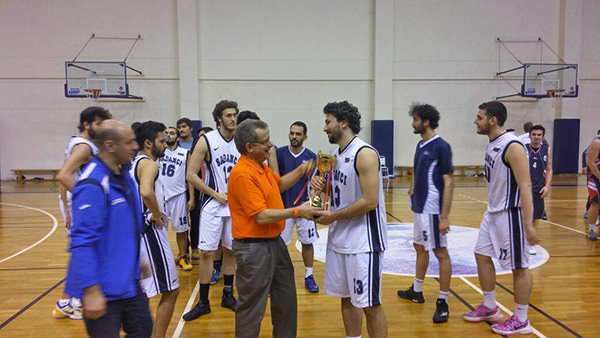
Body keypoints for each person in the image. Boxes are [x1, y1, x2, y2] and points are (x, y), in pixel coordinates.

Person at [228, 119, 317, 338]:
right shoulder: (242, 174)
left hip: (274, 243)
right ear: (250, 147)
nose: (270, 145)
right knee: (252, 309)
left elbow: (277, 185)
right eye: (265, 142)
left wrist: (301, 170)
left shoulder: (261, 167)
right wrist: (297, 211)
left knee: (286, 302)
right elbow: (261, 216)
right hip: (253, 248)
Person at [65, 120, 153, 337]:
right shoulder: (92, 183)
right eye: (129, 141)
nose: (135, 146)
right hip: (103, 288)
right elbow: (82, 241)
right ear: (110, 146)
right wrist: (91, 290)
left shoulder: (124, 177)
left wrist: (138, 258)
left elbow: (125, 227)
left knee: (144, 328)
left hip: (128, 282)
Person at [312, 101, 389, 338]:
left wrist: (333, 216)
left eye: (328, 121)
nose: (325, 128)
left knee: (370, 305)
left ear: (343, 122)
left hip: (363, 243)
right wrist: (317, 188)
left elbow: (369, 201)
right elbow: (328, 197)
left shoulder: (364, 153)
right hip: (339, 240)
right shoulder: (332, 156)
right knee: (347, 299)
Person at [463, 101, 540, 336]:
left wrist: (528, 223)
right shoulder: (493, 143)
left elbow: (526, 186)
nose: (476, 121)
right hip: (493, 212)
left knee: (519, 267)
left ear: (493, 120)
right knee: (481, 254)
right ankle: (489, 306)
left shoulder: (512, 146)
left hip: (511, 215)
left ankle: (521, 319)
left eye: (480, 117)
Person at [397, 103, 454, 324]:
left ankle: (443, 302)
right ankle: (417, 291)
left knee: (441, 253)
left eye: (415, 119)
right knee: (419, 247)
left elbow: (449, 182)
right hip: (419, 207)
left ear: (426, 121)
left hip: (432, 209)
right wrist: (412, 186)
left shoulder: (441, 146)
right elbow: (416, 168)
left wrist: (445, 216)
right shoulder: (421, 145)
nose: (413, 123)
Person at [53, 106, 112, 320]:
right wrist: (83, 199)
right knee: (85, 250)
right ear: (86, 124)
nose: (102, 128)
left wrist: (67, 206)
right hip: (81, 206)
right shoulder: (84, 147)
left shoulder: (77, 143)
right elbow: (64, 175)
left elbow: (63, 174)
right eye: (98, 124)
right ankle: (74, 301)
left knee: (84, 251)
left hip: (73, 204)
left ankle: (68, 301)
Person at [183, 100, 239, 320]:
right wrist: (215, 194)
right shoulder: (206, 140)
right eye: (228, 115)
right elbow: (191, 174)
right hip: (212, 204)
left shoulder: (243, 141)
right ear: (219, 119)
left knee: (231, 251)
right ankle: (204, 301)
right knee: (206, 252)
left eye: (235, 115)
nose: (233, 119)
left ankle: (227, 295)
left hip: (235, 206)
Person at [130, 121, 179, 338]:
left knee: (144, 291)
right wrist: (157, 214)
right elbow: (147, 192)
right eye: (162, 141)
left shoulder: (131, 162)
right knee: (170, 289)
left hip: (134, 233)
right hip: (149, 232)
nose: (166, 144)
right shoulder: (149, 164)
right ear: (148, 143)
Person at [276, 121, 320, 293]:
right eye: (292, 133)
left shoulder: (312, 157)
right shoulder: (278, 154)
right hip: (283, 209)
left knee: (307, 243)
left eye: (298, 134)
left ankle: (309, 275)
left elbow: (317, 185)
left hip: (305, 209)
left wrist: (314, 207)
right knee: (280, 245)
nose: (294, 136)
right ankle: (279, 278)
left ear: (305, 137)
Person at [158, 127, 194, 271]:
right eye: (165, 133)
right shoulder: (159, 152)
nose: (168, 135)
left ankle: (183, 256)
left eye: (172, 133)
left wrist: (191, 197)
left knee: (182, 230)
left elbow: (189, 177)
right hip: (160, 195)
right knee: (160, 229)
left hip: (178, 196)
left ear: (177, 138)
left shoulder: (185, 153)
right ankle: (162, 257)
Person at [526, 124, 553, 253]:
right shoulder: (523, 149)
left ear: (542, 137)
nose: (536, 137)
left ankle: (530, 243)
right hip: (524, 188)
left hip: (538, 188)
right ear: (529, 135)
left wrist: (547, 186)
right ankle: (521, 241)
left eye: (539, 135)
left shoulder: (546, 150)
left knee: (535, 216)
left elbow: (549, 169)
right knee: (522, 215)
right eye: (534, 134)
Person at [190, 126, 214, 260]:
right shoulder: (195, 152)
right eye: (200, 136)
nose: (203, 138)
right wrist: (192, 197)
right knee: (196, 224)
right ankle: (194, 249)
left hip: (220, 194)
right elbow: (190, 176)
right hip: (204, 195)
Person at [586, 133, 600, 240]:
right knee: (596, 202)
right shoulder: (597, 143)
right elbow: (590, 162)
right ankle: (591, 229)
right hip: (594, 176)